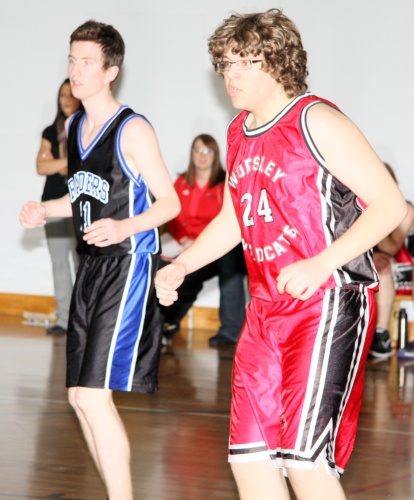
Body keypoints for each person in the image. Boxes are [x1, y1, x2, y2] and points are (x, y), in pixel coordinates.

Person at [154, 9, 407, 500]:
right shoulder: (238, 132)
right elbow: (234, 218)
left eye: (243, 62)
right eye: (225, 64)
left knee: (304, 465)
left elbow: (390, 205)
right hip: (266, 309)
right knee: (249, 461)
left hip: (326, 303)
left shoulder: (317, 120)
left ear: (276, 62)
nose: (230, 75)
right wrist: (183, 264)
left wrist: (322, 262)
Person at [20, 20, 180, 500]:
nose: (76, 69)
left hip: (128, 264)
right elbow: (82, 195)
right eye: (72, 60)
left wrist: (125, 227)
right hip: (90, 265)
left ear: (111, 71)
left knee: (93, 396)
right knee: (77, 397)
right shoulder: (73, 126)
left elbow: (170, 203)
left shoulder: (133, 129)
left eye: (87, 62)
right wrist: (45, 209)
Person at [162, 133, 246, 347]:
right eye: (198, 150)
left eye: (207, 151)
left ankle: (231, 331)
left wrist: (200, 242)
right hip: (187, 245)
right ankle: (165, 323)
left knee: (231, 266)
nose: (202, 155)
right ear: (192, 154)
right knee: (179, 271)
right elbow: (173, 217)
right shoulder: (181, 182)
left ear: (215, 155)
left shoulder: (225, 183)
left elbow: (228, 221)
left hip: (219, 248)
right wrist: (183, 238)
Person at [36, 78, 81, 335]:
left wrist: (61, 163)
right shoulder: (50, 132)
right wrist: (67, 162)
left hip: (79, 205)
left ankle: (81, 318)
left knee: (81, 263)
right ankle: (64, 318)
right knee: (59, 264)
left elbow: (82, 166)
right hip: (52, 204)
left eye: (71, 94)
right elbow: (41, 166)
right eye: (62, 95)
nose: (66, 99)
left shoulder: (87, 129)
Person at [369, 163, 414, 358]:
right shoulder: (360, 205)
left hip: (402, 262)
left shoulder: (405, 209)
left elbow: (391, 248)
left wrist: (373, 215)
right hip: (373, 259)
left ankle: (381, 334)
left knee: (383, 266)